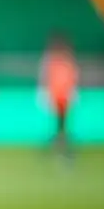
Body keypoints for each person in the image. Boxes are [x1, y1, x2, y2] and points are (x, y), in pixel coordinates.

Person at [38, 31, 78, 161]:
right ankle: (58, 147)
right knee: (58, 126)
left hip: (63, 100)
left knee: (62, 127)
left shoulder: (66, 61)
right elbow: (47, 80)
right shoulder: (51, 61)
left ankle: (62, 148)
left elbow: (71, 80)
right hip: (56, 99)